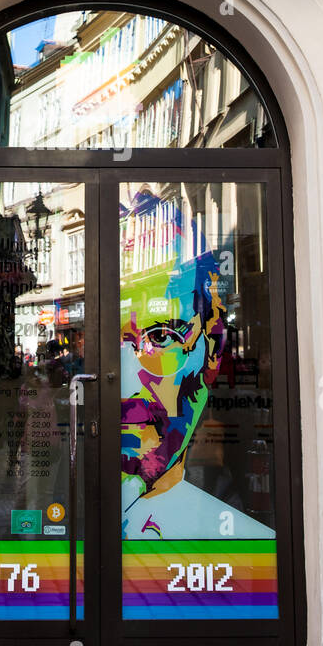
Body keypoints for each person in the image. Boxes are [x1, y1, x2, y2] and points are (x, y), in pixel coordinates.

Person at [120, 230, 275, 541]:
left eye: (161, 337)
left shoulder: (247, 543)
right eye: (116, 346)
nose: (127, 381)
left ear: (213, 354)